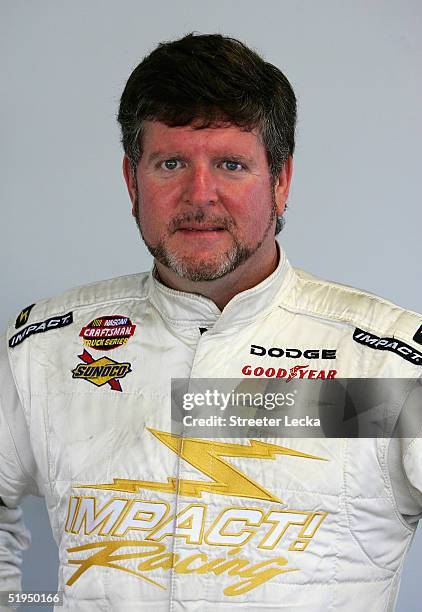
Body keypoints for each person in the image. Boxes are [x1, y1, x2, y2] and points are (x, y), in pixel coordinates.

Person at [0, 32, 421, 611]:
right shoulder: (44, 347)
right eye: (170, 162)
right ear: (132, 181)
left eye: (231, 164)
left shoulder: (388, 360)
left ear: (281, 181)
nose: (200, 195)